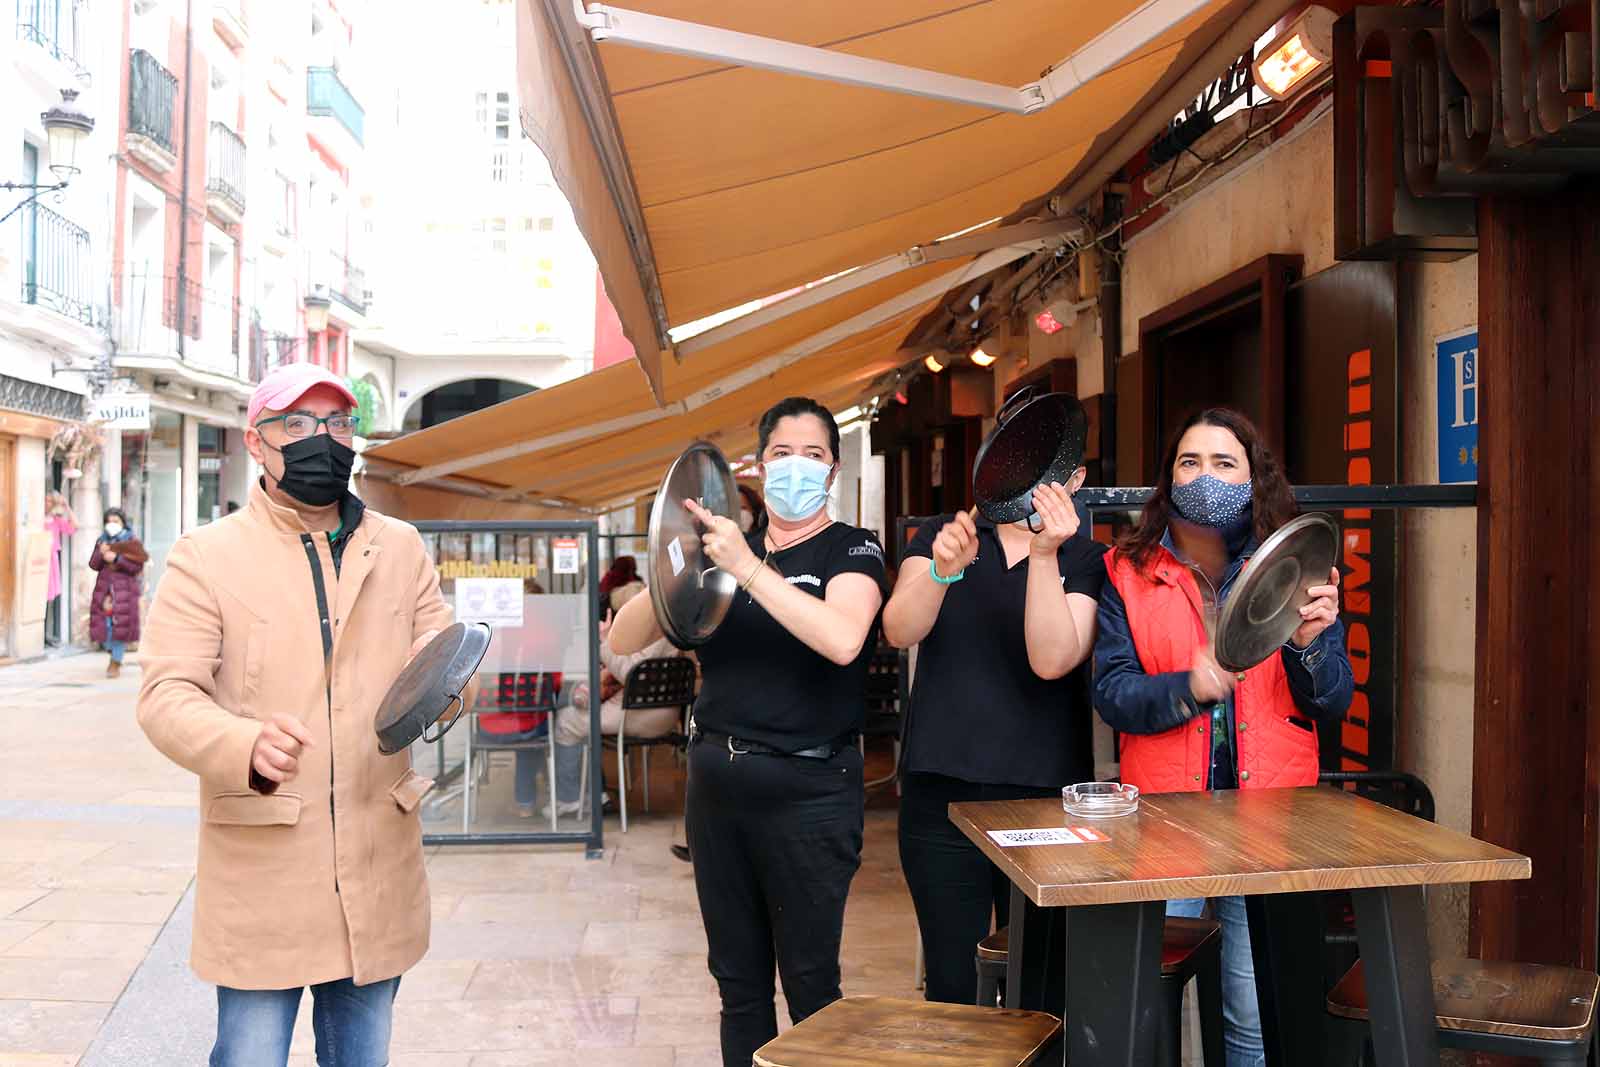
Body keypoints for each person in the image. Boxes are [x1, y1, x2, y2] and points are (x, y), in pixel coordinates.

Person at [136, 362, 453, 1067]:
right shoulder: (206, 557)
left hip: (376, 859)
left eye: (338, 423)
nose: (323, 439)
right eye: (298, 424)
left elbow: (440, 649)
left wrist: (445, 672)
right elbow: (165, 694)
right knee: (249, 1055)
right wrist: (240, 742)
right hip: (265, 864)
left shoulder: (400, 547)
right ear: (257, 441)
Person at [609, 396, 887, 1067]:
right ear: (759, 468)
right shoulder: (724, 553)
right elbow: (623, 637)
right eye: (782, 454)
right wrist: (674, 562)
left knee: (812, 985)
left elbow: (843, 638)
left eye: (813, 455)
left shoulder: (853, 547)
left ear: (833, 468)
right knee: (738, 986)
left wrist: (749, 568)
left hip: (811, 795)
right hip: (718, 790)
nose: (797, 466)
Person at [1093, 407, 1354, 1067]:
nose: (1205, 475)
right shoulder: (1127, 570)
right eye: (1189, 462)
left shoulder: (1297, 564)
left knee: (1253, 1014)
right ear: (1168, 478)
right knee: (1141, 1006)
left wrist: (1310, 646)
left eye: (1223, 462)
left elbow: (1332, 700)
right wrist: (1191, 685)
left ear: (1253, 475)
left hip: (1269, 820)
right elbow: (1113, 693)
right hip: (1162, 818)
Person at [882, 474, 1106, 1005]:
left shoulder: (1086, 557)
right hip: (942, 795)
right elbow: (898, 629)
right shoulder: (945, 533)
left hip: (1044, 800)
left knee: (1040, 987)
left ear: (1074, 477)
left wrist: (1045, 552)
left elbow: (1052, 660)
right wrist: (941, 570)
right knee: (952, 982)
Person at [542, 580, 684, 819]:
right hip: (664, 713)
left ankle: (569, 798)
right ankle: (596, 794)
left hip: (640, 715)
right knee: (584, 719)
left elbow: (630, 671)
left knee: (566, 721)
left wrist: (605, 642)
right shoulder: (666, 631)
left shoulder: (652, 635)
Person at [89, 507, 146, 677]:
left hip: (125, 592)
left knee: (119, 627)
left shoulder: (132, 542)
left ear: (123, 523)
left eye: (116, 521)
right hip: (105, 591)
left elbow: (137, 566)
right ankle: (113, 651)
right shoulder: (102, 541)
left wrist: (117, 559)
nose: (112, 525)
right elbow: (93, 564)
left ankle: (115, 662)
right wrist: (102, 554)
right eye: (109, 521)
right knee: (105, 626)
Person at [44, 491, 77, 647]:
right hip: (38, 560)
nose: (47, 504)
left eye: (50, 501)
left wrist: (66, 506)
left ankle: (47, 633)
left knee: (49, 597)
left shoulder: (56, 521)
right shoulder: (37, 520)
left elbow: (75, 526)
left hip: (51, 560)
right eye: (45, 500)